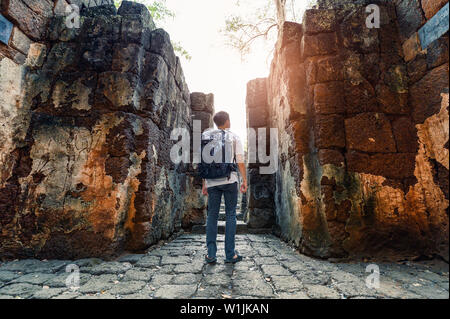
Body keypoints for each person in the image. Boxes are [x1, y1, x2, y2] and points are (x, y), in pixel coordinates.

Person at [202, 111, 247, 264]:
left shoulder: (206, 136)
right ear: (227, 121)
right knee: (230, 215)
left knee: (212, 216)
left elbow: (204, 162)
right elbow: (240, 161)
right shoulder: (234, 137)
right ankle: (230, 254)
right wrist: (244, 180)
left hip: (212, 182)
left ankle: (211, 255)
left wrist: (204, 183)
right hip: (230, 180)